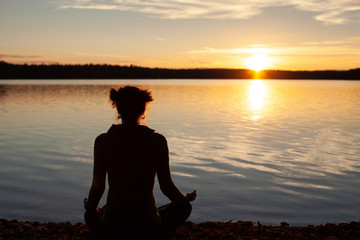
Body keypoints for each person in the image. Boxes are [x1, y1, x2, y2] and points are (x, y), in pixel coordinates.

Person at [84, 86, 196, 239]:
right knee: (184, 208)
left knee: (91, 215)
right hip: (148, 223)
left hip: (113, 224)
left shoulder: (103, 141)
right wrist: (182, 200)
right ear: (143, 111)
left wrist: (90, 208)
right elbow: (166, 186)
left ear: (118, 109)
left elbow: (98, 188)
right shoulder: (158, 141)